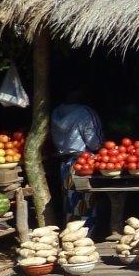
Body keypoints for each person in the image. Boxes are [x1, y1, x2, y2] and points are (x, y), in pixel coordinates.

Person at [50, 91, 103, 221]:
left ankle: (72, 232)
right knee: (86, 202)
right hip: (84, 164)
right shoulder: (85, 113)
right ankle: (86, 235)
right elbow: (95, 143)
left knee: (70, 201)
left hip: (65, 163)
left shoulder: (56, 112)